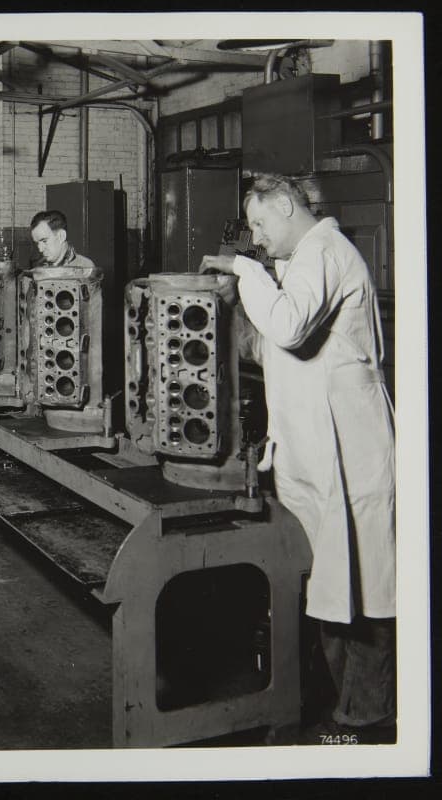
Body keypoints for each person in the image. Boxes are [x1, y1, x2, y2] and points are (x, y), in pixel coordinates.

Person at [200, 173, 396, 738]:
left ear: (286, 205)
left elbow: (287, 327)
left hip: (349, 450)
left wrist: (244, 270)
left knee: (362, 585)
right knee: (332, 583)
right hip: (314, 451)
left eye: (260, 223)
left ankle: (366, 718)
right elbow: (272, 348)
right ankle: (345, 709)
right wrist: (233, 312)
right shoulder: (301, 263)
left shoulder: (325, 252)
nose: (257, 237)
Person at [29, 209, 101, 276]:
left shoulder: (85, 268)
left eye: (44, 241)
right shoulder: (38, 268)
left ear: (61, 236)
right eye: (37, 243)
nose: (40, 249)